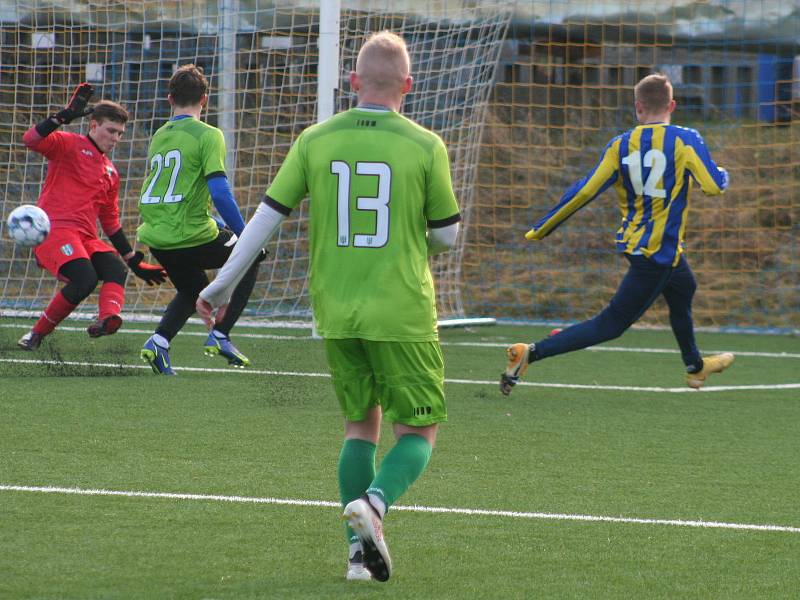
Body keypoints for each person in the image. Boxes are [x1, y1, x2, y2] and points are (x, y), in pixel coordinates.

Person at [195, 32, 461, 582]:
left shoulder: (315, 139)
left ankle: (357, 558)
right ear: (408, 86)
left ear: (353, 83)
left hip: (336, 311)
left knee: (360, 426)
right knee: (419, 432)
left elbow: (265, 219)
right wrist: (410, 241)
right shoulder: (425, 144)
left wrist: (219, 287)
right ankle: (377, 505)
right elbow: (448, 237)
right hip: (403, 311)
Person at [500, 73, 734, 395]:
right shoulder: (686, 139)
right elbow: (712, 186)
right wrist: (724, 174)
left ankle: (695, 367)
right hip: (657, 254)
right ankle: (529, 353)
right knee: (611, 324)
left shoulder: (620, 145)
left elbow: (584, 192)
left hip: (642, 245)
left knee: (684, 287)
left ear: (638, 107)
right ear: (673, 105)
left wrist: (541, 229)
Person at [18, 84, 167, 351]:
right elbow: (31, 140)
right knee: (85, 278)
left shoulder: (111, 171)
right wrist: (62, 116)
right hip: (56, 230)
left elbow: (110, 222)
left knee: (115, 269)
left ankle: (107, 319)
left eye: (120, 133)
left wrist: (133, 260)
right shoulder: (68, 143)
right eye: (111, 130)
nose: (116, 138)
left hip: (85, 237)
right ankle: (35, 334)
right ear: (93, 125)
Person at [136, 64, 261, 375]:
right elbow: (219, 193)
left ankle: (158, 343)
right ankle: (220, 334)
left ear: (169, 99)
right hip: (189, 232)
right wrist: (247, 235)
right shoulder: (209, 135)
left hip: (156, 235)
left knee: (193, 289)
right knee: (252, 255)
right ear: (205, 99)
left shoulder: (159, 135)